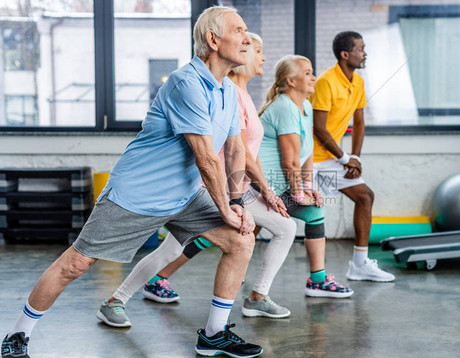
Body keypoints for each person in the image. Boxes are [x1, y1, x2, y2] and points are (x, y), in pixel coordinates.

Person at [1, 7, 263, 358]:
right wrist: (226, 209)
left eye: (247, 30)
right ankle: (17, 335)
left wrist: (236, 202)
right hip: (136, 194)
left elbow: (234, 149)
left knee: (240, 240)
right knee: (77, 262)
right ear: (213, 39)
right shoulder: (185, 82)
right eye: (240, 30)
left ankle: (214, 335)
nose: (247, 38)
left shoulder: (227, 91)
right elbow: (206, 157)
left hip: (184, 194)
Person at [96, 32, 297, 325]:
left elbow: (245, 152)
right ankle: (255, 298)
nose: (262, 56)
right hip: (219, 189)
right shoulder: (231, 93)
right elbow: (235, 152)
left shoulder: (240, 93)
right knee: (283, 228)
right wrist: (260, 192)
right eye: (258, 50)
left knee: (173, 249)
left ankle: (116, 299)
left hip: (234, 189)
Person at [258, 55, 353, 298]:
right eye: (307, 73)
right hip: (263, 187)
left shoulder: (305, 106)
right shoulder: (284, 107)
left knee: (314, 212)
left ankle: (318, 280)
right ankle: (159, 277)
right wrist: (298, 195)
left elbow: (306, 152)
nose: (313, 77)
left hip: (280, 188)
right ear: (290, 81)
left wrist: (308, 188)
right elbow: (289, 161)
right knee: (224, 234)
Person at [310, 31, 395, 283]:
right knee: (272, 212)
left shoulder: (357, 82)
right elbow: (319, 129)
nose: (364, 53)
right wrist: (346, 159)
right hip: (308, 158)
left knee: (365, 196)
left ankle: (359, 264)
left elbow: (359, 122)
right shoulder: (326, 81)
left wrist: (355, 157)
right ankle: (239, 253)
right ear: (345, 54)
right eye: (360, 49)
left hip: (330, 157)